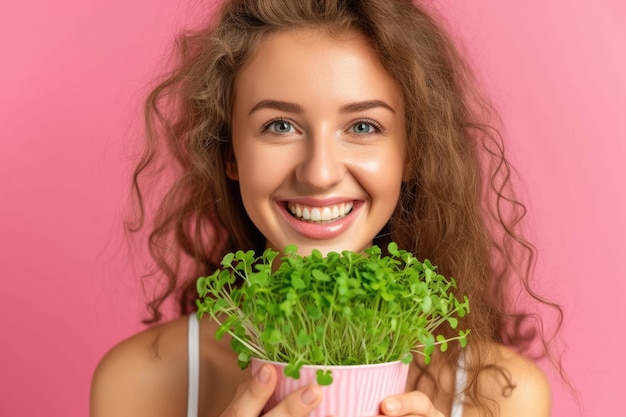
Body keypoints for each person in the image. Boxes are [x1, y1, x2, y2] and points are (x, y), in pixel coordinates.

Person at [90, 0, 560, 416]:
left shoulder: (505, 396)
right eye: (279, 126)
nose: (318, 173)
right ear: (229, 152)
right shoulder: (139, 383)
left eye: (362, 127)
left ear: (411, 152)